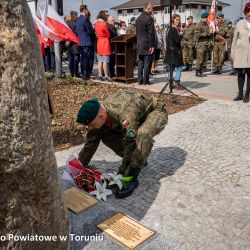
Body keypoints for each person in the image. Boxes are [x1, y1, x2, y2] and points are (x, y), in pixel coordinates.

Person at [76, 88, 168, 198]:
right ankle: (140, 158)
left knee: (143, 134)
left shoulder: (125, 115)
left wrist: (123, 172)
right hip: (136, 115)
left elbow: (130, 143)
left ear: (100, 116)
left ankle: (134, 174)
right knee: (105, 135)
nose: (89, 127)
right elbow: (91, 142)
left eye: (90, 124)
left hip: (155, 111)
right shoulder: (101, 113)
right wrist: (78, 167)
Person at [231, 2, 250, 103]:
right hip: (240, 52)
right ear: (245, 12)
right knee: (240, 74)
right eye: (248, 11)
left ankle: (247, 94)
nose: (249, 13)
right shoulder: (239, 23)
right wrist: (232, 53)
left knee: (249, 74)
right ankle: (240, 94)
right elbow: (234, 40)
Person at [136, 3, 155, 85]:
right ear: (148, 8)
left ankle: (140, 80)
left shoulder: (138, 18)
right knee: (147, 63)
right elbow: (151, 33)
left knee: (140, 62)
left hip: (140, 43)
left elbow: (137, 32)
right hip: (147, 43)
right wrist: (152, 45)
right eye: (152, 9)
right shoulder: (149, 18)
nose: (152, 11)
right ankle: (146, 81)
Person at [76, 5, 95, 80]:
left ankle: (83, 73)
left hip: (80, 41)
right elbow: (90, 31)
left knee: (83, 58)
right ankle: (86, 74)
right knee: (86, 58)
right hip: (87, 41)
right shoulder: (85, 19)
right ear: (84, 10)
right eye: (87, 9)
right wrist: (94, 32)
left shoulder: (78, 19)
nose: (87, 10)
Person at [164, 14, 183, 89]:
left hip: (171, 51)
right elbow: (177, 40)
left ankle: (171, 83)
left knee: (171, 68)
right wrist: (181, 35)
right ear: (173, 20)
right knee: (179, 67)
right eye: (176, 20)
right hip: (174, 52)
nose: (178, 21)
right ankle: (177, 84)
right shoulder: (173, 29)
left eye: (179, 20)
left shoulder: (170, 29)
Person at [94, 10, 111, 82]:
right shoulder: (104, 24)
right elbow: (108, 34)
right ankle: (106, 76)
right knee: (105, 60)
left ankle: (100, 75)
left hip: (99, 42)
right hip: (105, 42)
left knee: (100, 60)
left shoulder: (96, 23)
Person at [194, 12, 211, 77]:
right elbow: (197, 34)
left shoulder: (207, 25)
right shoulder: (199, 25)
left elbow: (208, 33)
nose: (207, 19)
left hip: (206, 44)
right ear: (203, 18)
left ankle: (201, 71)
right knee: (199, 58)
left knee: (204, 59)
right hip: (200, 44)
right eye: (206, 18)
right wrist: (205, 34)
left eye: (207, 18)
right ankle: (197, 71)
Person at [67, 11, 80, 78]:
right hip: (75, 43)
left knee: (71, 59)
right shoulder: (76, 23)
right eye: (77, 15)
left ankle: (72, 72)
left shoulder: (68, 23)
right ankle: (75, 73)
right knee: (76, 60)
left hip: (70, 44)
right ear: (75, 16)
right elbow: (77, 33)